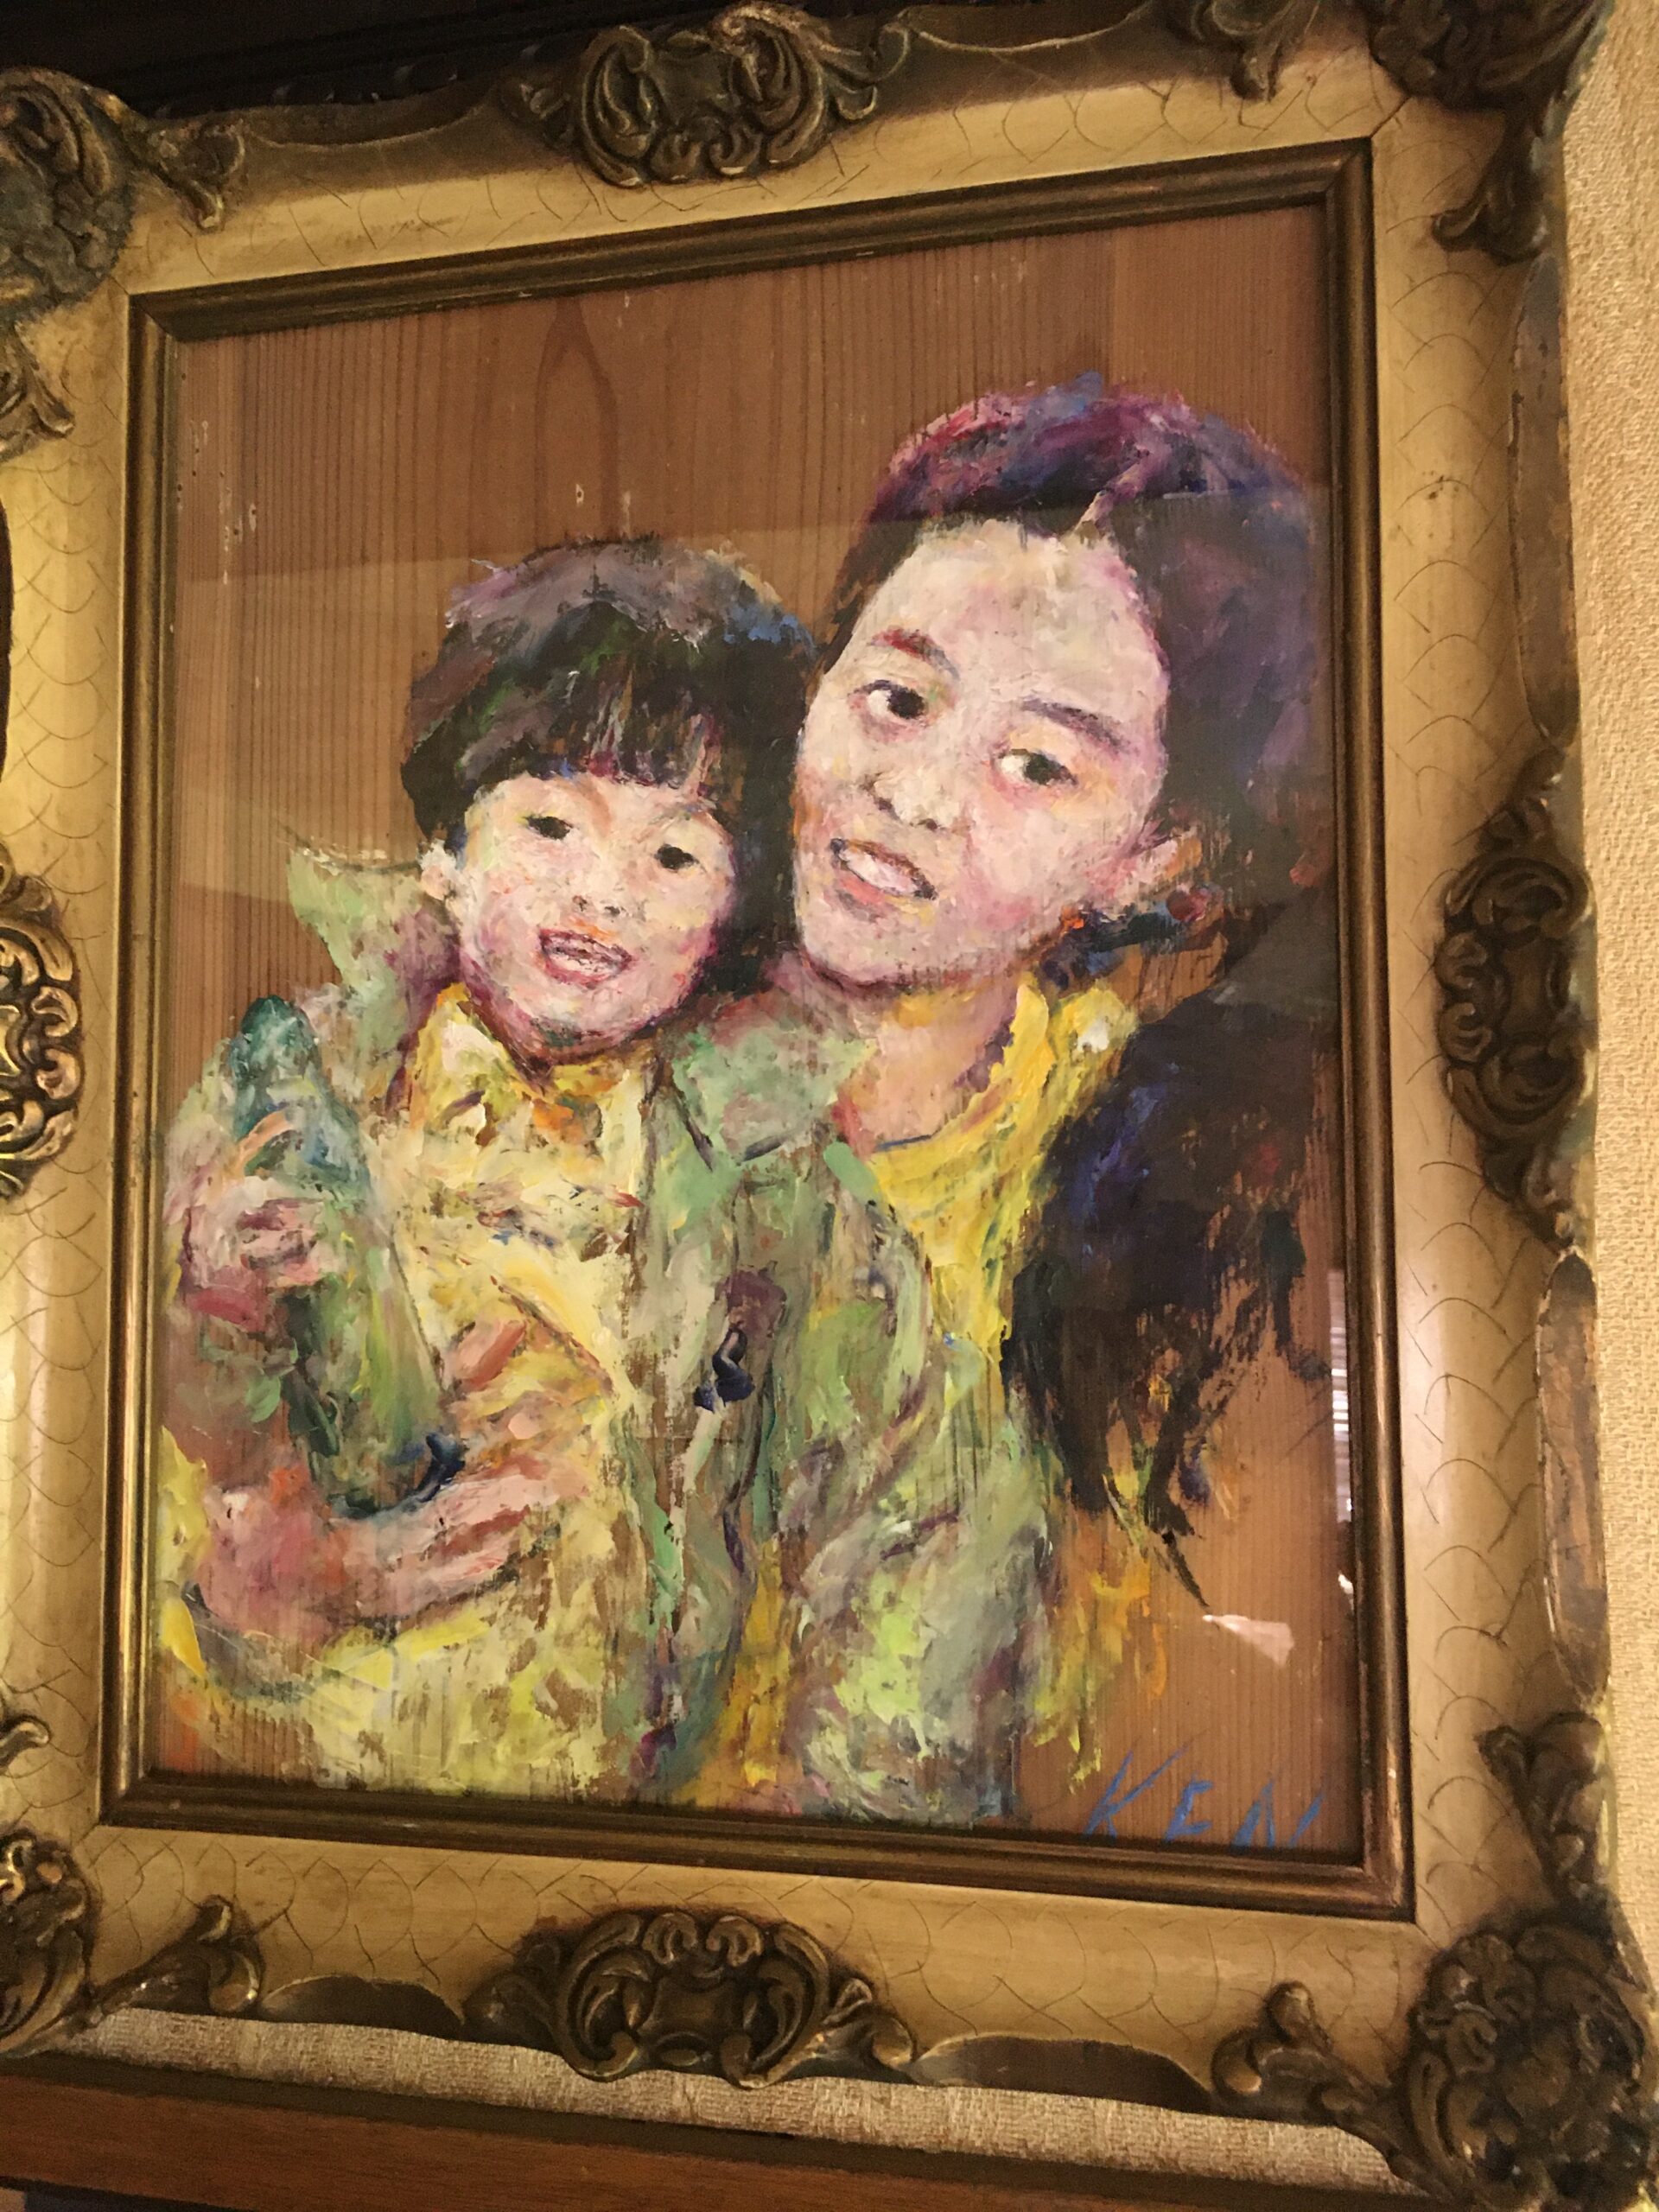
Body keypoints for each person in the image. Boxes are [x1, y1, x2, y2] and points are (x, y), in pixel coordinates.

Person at [693, 376, 1334, 1823]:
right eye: (899, 697)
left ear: (1156, 861)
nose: (914, 793)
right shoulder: (598, 1051)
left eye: (1037, 764)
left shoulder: (1164, 1208)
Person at [155, 537, 814, 1801]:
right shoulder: (302, 1104)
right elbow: (168, 1473)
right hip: (316, 1766)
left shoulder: (754, 1185)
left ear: (729, 914)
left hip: (611, 1788)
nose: (603, 894)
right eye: (552, 825)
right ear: (445, 856)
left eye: (675, 856)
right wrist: (222, 1306)